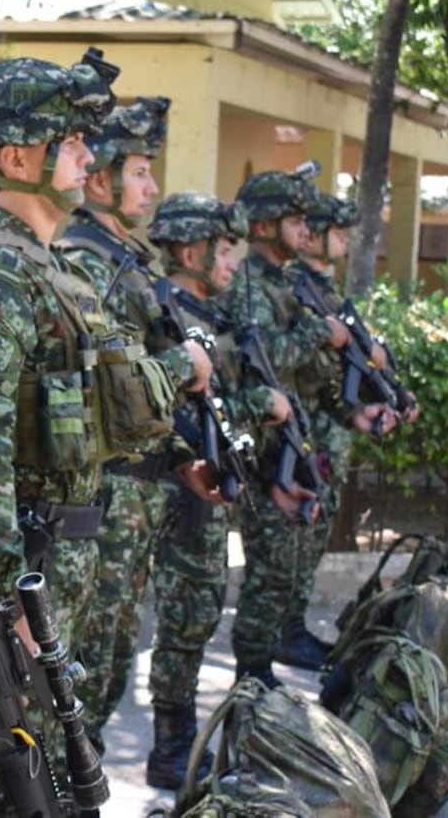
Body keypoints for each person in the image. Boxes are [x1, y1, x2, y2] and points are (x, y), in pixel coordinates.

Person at [0, 52, 205, 817]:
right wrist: (0, 595)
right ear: (19, 157)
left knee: (40, 768)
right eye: (73, 142)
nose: (90, 157)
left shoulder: (42, 267)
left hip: (59, 562)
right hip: (29, 571)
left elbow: (91, 413)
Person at [49, 96, 207, 755]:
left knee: (108, 666)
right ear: (100, 178)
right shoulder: (90, 261)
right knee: (83, 673)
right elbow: (111, 392)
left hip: (134, 494)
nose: (151, 186)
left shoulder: (124, 258)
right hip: (103, 498)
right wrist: (185, 362)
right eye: (139, 171)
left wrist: (177, 460)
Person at [142, 192, 293, 787]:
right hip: (180, 487)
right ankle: (170, 746)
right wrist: (260, 403)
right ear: (189, 250)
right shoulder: (167, 315)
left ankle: (179, 739)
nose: (232, 262)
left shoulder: (215, 315)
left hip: (206, 484)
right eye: (223, 250)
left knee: (201, 609)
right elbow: (177, 407)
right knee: (184, 615)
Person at [220, 165, 356, 689]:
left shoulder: (285, 282)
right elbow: (266, 356)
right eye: (294, 220)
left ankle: (264, 665)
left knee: (287, 563)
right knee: (269, 568)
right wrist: (322, 331)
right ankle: (251, 675)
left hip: (291, 438)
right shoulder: (252, 283)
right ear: (263, 225)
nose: (306, 230)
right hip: (262, 443)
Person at [274, 193, 404, 671]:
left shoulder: (326, 291)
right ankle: (279, 633)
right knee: (287, 547)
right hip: (298, 432)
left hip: (329, 431)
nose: (346, 240)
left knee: (310, 540)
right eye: (338, 231)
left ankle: (291, 627)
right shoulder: (292, 287)